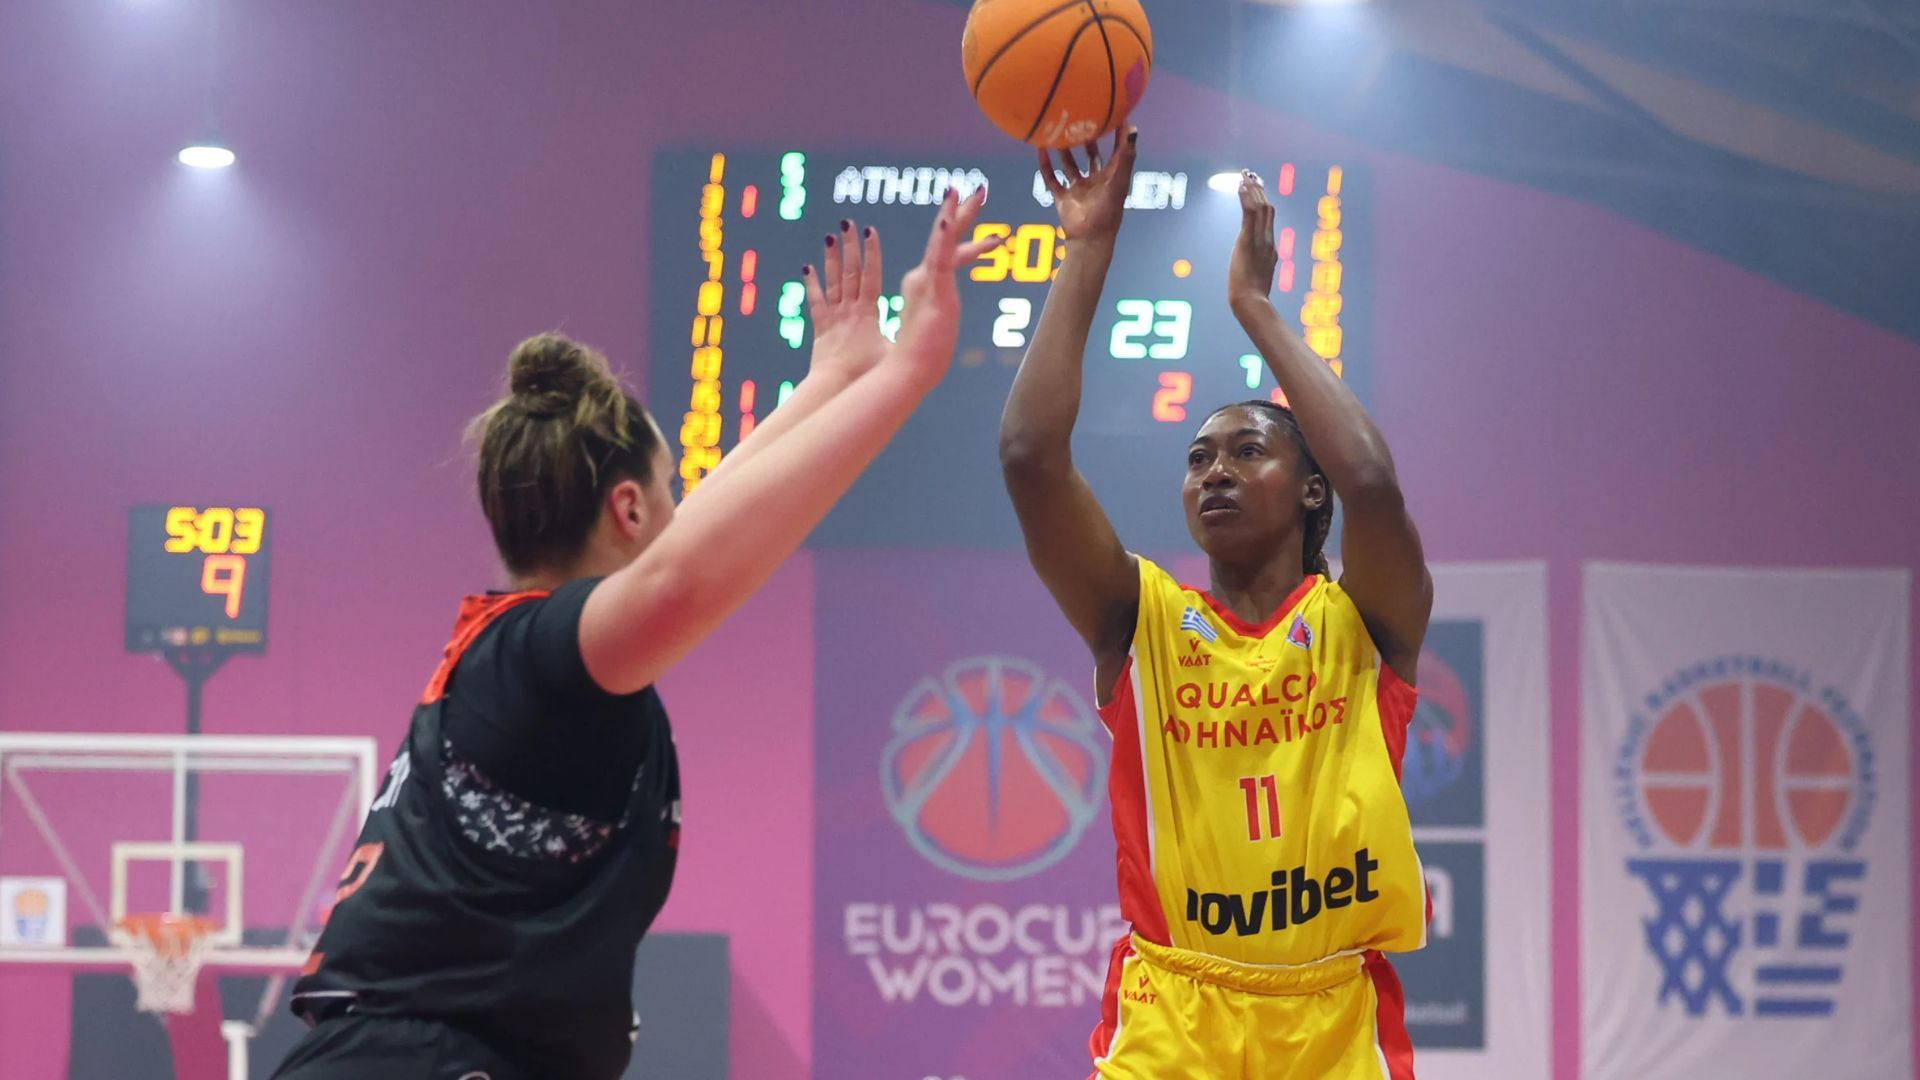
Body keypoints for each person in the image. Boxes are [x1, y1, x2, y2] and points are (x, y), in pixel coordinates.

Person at [275, 190, 999, 1080]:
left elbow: (686, 542)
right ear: (626, 508)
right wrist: (907, 374)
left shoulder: (521, 662)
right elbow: (677, 577)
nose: (686, 504)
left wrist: (834, 378)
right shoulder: (540, 659)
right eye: (671, 486)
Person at [998, 128, 1429, 1080]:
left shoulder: (1364, 624)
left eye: (1246, 451)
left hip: (1331, 1021)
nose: (1214, 473)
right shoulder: (1140, 619)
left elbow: (1371, 483)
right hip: (1174, 1014)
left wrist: (1254, 309)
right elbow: (1030, 457)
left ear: (1310, 490)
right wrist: (1087, 252)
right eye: (1197, 460)